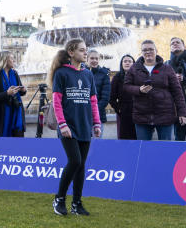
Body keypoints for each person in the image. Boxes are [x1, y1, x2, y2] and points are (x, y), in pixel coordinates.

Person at [49, 38, 102, 217]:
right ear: (71, 53)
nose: (85, 53)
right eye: (81, 50)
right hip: (68, 126)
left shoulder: (88, 74)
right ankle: (59, 199)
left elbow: (93, 101)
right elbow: (56, 101)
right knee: (75, 161)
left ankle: (77, 203)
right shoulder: (61, 73)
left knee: (81, 166)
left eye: (85, 50)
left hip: (85, 125)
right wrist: (62, 124)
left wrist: (96, 123)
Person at [124, 40, 186, 141]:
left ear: (156, 50)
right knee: (143, 149)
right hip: (142, 116)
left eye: (150, 49)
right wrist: (138, 89)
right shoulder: (134, 69)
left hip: (165, 115)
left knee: (165, 149)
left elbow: (177, 92)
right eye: (145, 50)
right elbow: (126, 87)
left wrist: (182, 113)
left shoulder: (167, 68)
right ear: (141, 52)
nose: (148, 52)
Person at [0, 51, 26, 138]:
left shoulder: (15, 74)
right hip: (2, 115)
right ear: (5, 60)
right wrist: (7, 93)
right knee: (4, 145)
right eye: (12, 58)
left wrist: (23, 90)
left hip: (16, 112)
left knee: (19, 142)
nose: (14, 60)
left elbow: (20, 91)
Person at [109, 55, 136, 140]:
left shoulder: (139, 76)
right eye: (125, 61)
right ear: (121, 64)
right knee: (124, 137)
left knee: (137, 137)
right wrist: (118, 109)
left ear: (134, 63)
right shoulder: (117, 77)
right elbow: (111, 96)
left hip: (138, 110)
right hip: (123, 111)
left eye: (129, 61)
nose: (127, 63)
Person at [86, 50, 111, 131]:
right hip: (81, 115)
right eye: (92, 58)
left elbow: (105, 98)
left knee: (96, 142)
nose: (94, 61)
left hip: (98, 115)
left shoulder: (104, 74)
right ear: (87, 59)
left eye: (96, 58)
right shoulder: (79, 72)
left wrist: (93, 110)